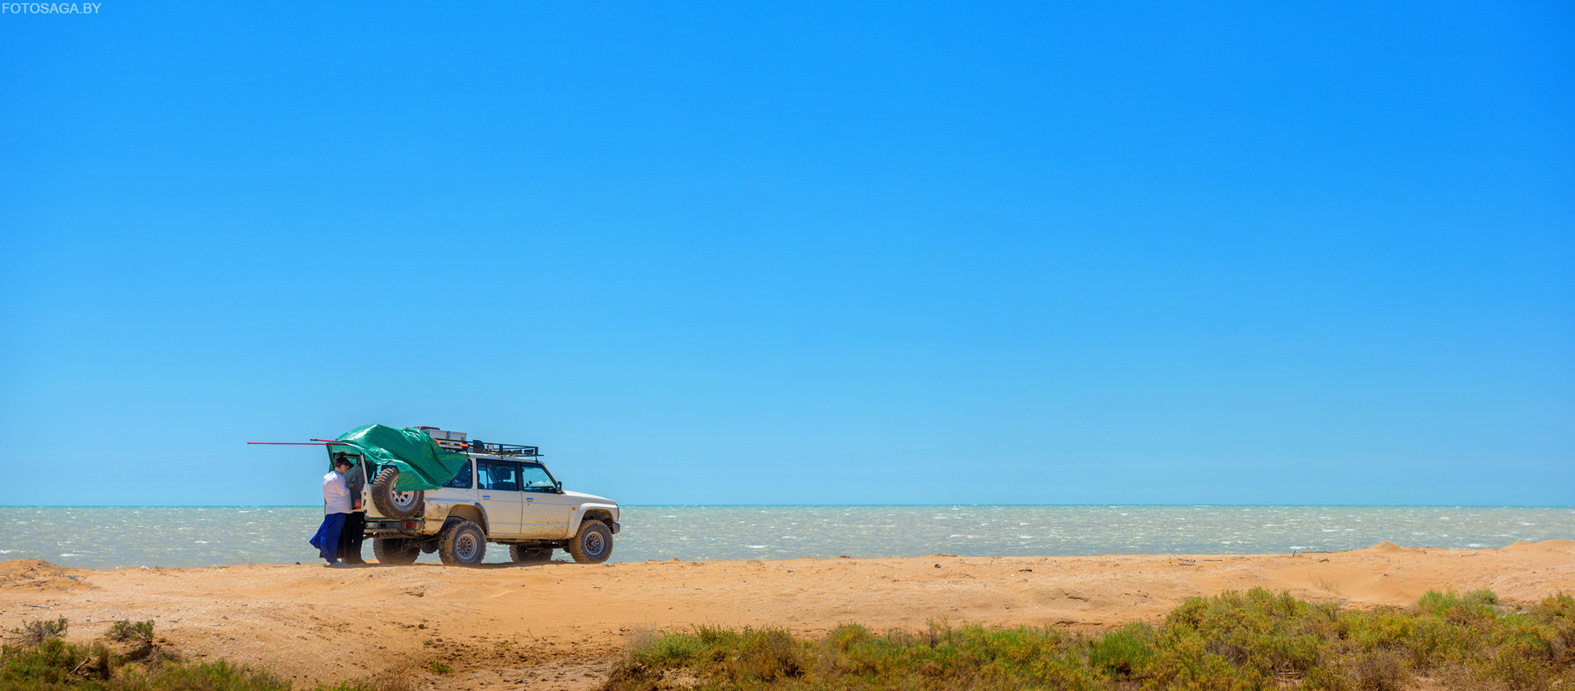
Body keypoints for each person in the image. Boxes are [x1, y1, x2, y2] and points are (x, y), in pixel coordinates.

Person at [308, 458, 353, 567]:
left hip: (331, 509)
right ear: (343, 466)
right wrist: (349, 488)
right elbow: (343, 492)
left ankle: (325, 551)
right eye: (346, 468)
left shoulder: (326, 477)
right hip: (339, 511)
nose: (346, 471)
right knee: (333, 535)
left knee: (327, 532)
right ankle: (332, 560)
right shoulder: (339, 478)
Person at [336, 460, 367, 565]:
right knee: (358, 534)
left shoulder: (344, 473)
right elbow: (363, 487)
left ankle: (348, 558)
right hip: (357, 507)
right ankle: (356, 558)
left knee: (348, 534)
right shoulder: (359, 470)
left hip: (346, 507)